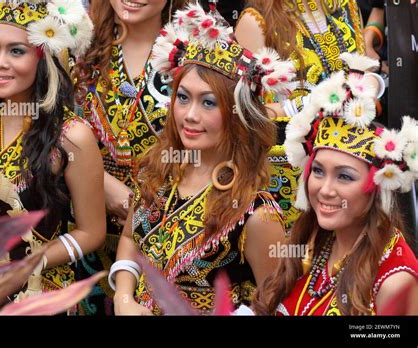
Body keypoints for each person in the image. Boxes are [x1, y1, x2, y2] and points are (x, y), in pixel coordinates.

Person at [110, 2, 297, 315]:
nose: (190, 115)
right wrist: (124, 297)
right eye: (183, 98)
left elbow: (274, 304)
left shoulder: (256, 213)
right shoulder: (157, 169)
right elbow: (130, 237)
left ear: (238, 116)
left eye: (208, 103)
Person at [0, 0, 106, 300]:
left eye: (16, 51)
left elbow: (92, 231)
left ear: (44, 58)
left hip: (34, 294)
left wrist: (26, 264)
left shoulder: (72, 137)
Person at [254, 53, 418, 315]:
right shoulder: (313, 240)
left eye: (344, 176)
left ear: (377, 186)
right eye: (318, 171)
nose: (326, 190)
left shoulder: (395, 281)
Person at [72, 0, 186, 315]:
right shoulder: (79, 45)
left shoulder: (194, 54)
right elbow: (49, 130)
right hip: (83, 237)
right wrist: (101, 183)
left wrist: (137, 204)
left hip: (161, 234)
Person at [235, 0, 385, 230]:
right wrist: (307, 103)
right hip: (290, 186)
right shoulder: (255, 21)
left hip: (348, 174)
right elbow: (247, 113)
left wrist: (374, 83)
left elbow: (360, 72)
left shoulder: (345, 5)